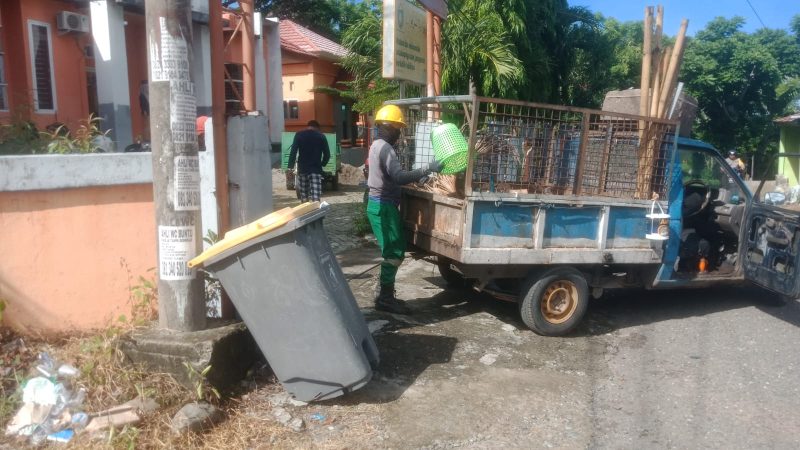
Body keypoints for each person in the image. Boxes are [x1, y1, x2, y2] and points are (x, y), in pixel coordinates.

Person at [367, 105, 443, 314]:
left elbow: (392, 177)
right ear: (390, 127)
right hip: (383, 207)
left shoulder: (376, 145)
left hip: (379, 204)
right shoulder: (386, 148)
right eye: (398, 128)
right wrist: (427, 168)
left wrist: (418, 176)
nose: (400, 133)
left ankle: (384, 293)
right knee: (394, 253)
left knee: (392, 252)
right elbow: (399, 177)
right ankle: (385, 298)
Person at [288, 120, 330, 202]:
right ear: (317, 128)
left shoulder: (299, 135)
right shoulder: (321, 136)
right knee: (316, 196)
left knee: (304, 196)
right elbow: (327, 155)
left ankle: (306, 212)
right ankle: (317, 213)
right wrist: (322, 164)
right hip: (316, 169)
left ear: (308, 126)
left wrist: (290, 166)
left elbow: (293, 152)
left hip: (303, 169)